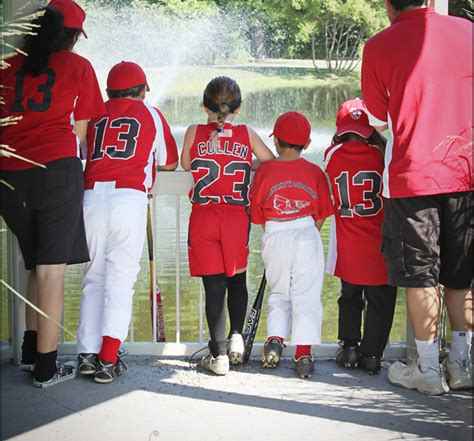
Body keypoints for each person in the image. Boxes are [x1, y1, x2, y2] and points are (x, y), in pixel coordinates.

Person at [361, 0, 473, 395]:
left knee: (420, 275)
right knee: (462, 274)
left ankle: (427, 369)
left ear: (388, 3)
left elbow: (376, 118)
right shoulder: (467, 30)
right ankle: (463, 364)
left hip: (413, 177)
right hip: (466, 171)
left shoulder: (379, 45)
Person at [0, 0, 105, 388]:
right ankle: (46, 368)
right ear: (72, 36)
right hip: (55, 172)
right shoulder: (78, 66)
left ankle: (30, 353)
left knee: (35, 266)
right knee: (52, 271)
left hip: (9, 175)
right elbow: (79, 134)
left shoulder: (7, 66)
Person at [76, 61, 178, 383]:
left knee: (93, 279)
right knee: (120, 280)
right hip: (128, 198)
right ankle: (107, 359)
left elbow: (81, 150)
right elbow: (171, 162)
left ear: (109, 91)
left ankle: (87, 355)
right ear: (143, 90)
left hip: (91, 197)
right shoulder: (151, 114)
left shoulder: (94, 113)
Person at [180, 76, 274, 376]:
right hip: (236, 217)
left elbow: (185, 164)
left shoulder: (194, 132)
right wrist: (248, 162)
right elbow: (269, 161)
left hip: (204, 216)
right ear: (239, 108)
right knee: (237, 280)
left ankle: (218, 355)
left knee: (214, 286)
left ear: (203, 105)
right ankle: (236, 336)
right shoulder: (246, 134)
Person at [250, 112, 334, 379]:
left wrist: (277, 233)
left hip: (275, 232)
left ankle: (275, 341)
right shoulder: (314, 172)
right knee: (306, 296)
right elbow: (321, 213)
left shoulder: (265, 171)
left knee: (279, 292)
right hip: (307, 233)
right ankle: (304, 355)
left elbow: (258, 214)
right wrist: (306, 231)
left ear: (275, 143)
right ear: (307, 144)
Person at [324, 98, 397, 375]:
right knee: (381, 299)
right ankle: (372, 355)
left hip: (349, 242)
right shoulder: (382, 153)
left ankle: (350, 348)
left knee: (350, 296)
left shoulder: (333, 154)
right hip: (380, 242)